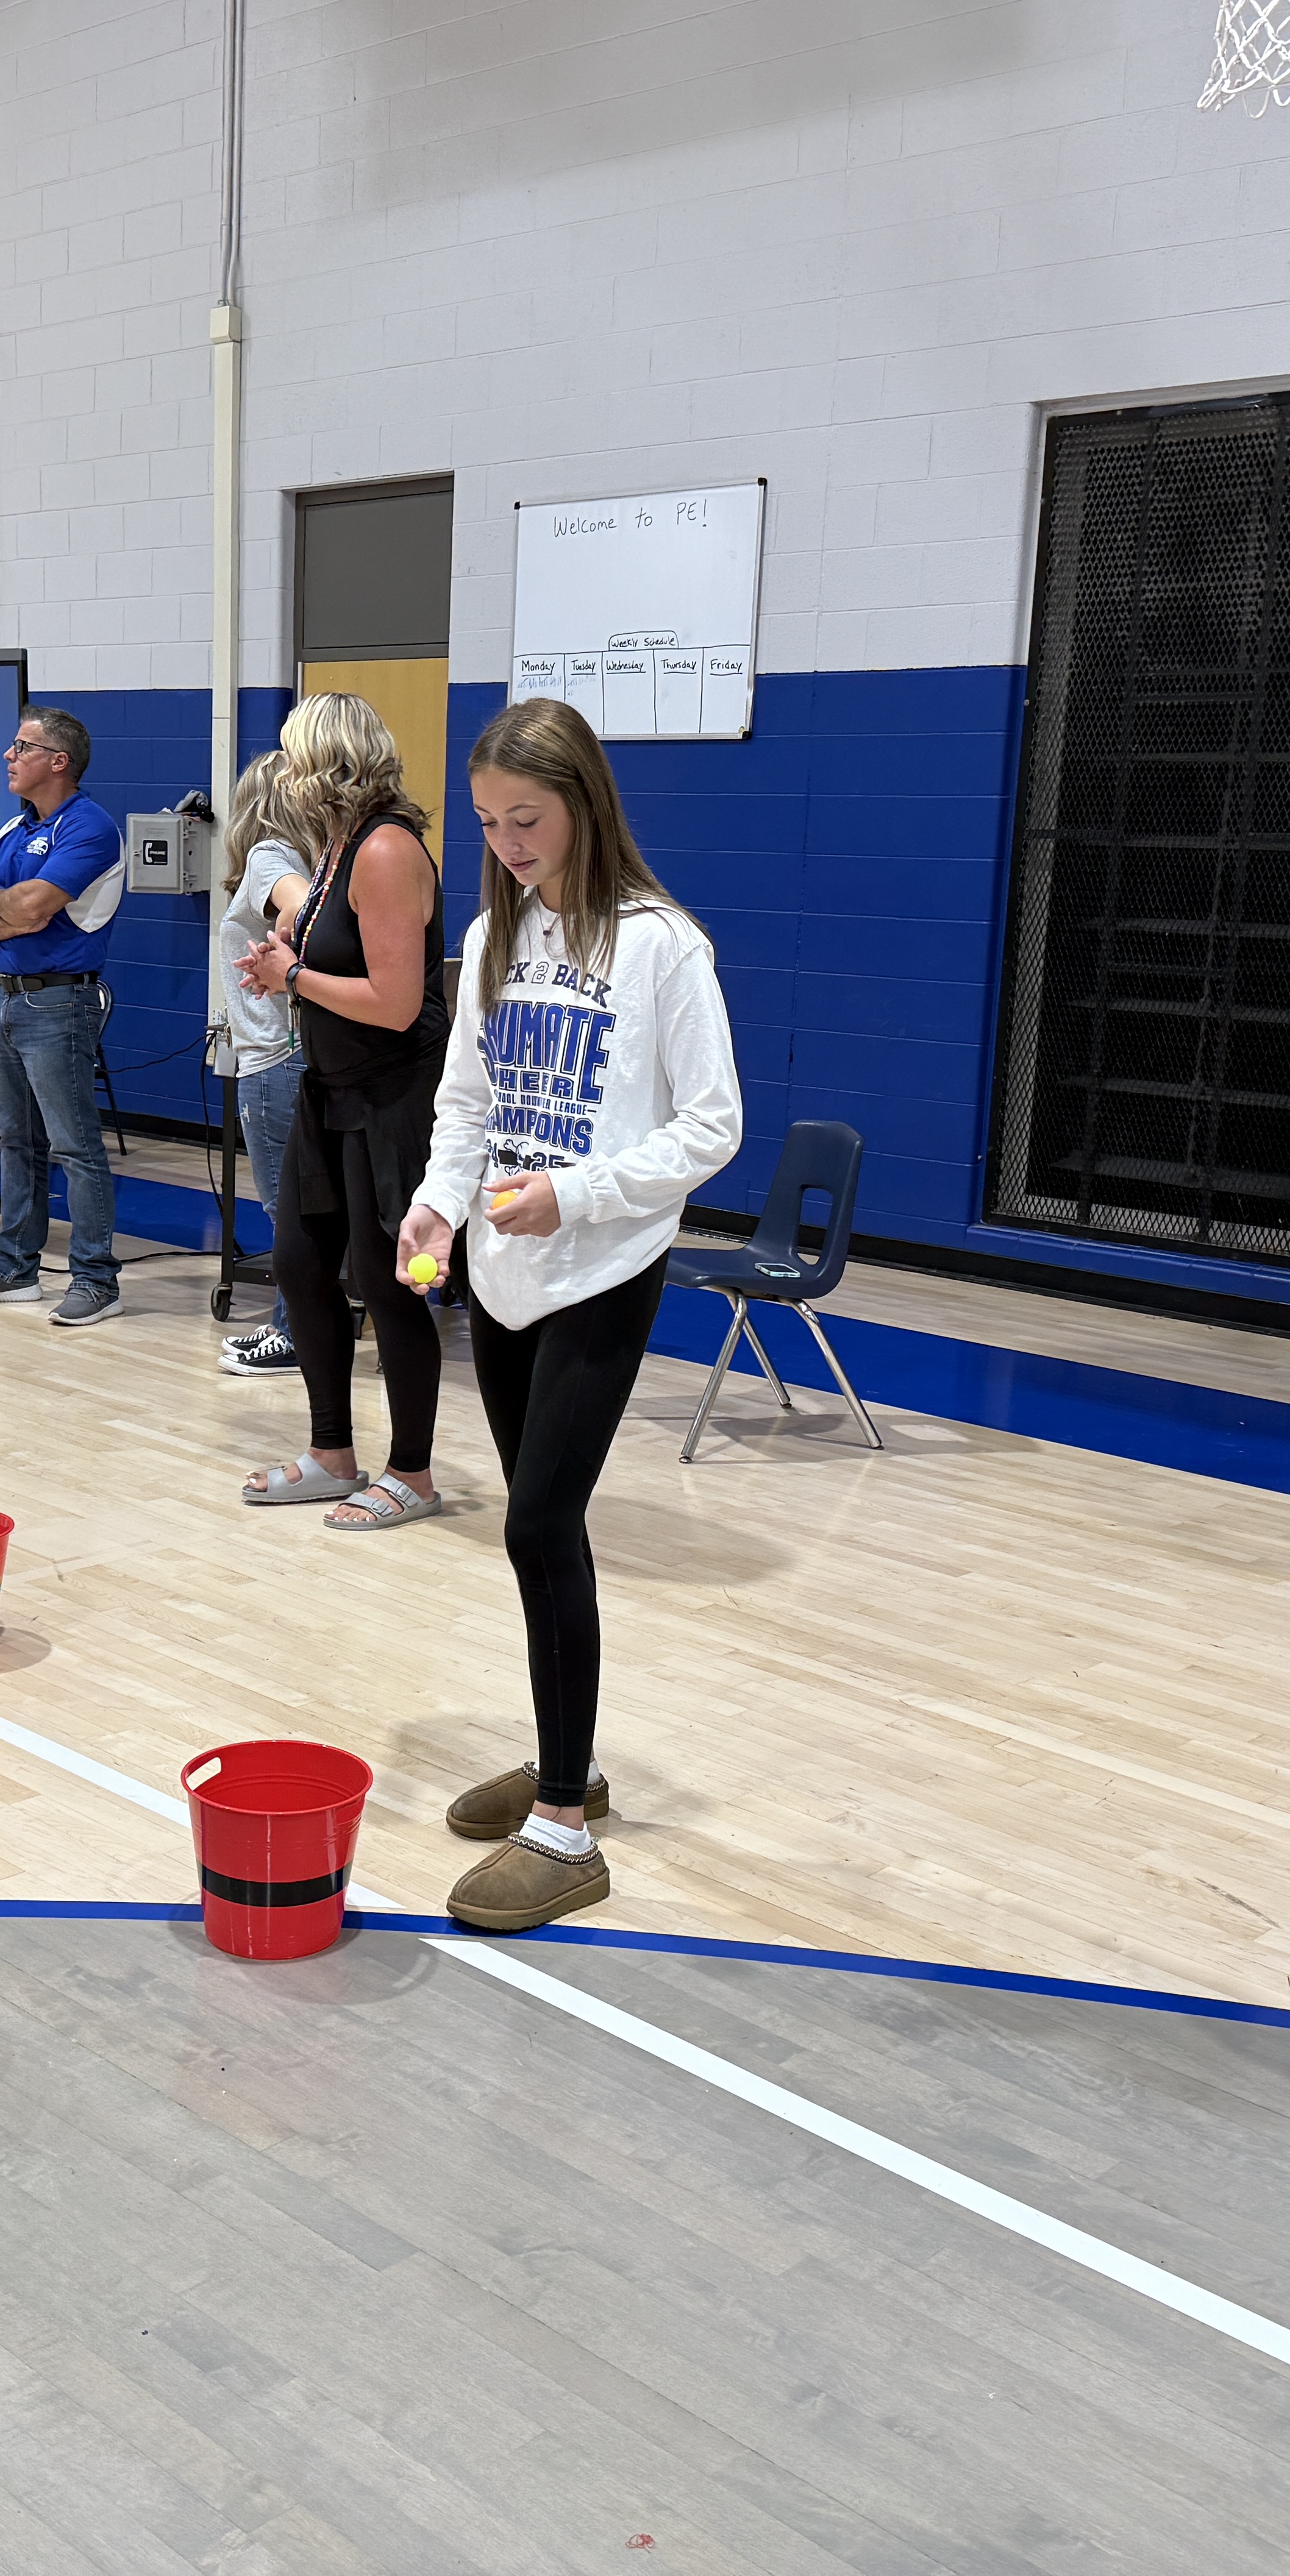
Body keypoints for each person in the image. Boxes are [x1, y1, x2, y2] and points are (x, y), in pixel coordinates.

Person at [398, 700, 739, 1931]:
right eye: (490, 824)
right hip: (499, 1275)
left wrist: (580, 1194)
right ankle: (571, 1761)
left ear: (582, 803)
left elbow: (713, 1126)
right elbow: (468, 1104)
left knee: (541, 1520)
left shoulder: (662, 948)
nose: (509, 842)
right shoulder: (496, 932)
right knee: (539, 1537)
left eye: (526, 819)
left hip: (600, 1269)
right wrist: (441, 1208)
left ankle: (561, 1828)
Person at [232, 692, 449, 1529]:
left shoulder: (387, 849)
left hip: (390, 1096)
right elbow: (330, 956)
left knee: (388, 1285)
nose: (283, 770)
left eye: (292, 753)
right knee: (297, 1261)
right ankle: (331, 1453)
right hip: (330, 1086)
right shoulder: (333, 849)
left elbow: (395, 1003)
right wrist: (285, 961)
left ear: (325, 761)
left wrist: (295, 979)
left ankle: (414, 1473)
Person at [0, 704, 126, 1327]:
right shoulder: (11, 831)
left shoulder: (91, 827)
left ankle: (97, 1279)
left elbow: (37, 907)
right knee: (15, 1138)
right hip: (6, 996)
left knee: (75, 1146)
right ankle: (14, 1267)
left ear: (59, 761)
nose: (8, 756)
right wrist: (8, 907)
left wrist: (7, 906)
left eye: (22, 747)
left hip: (60, 1001)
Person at [209, 751, 315, 1377]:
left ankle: (296, 1334)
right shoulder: (307, 859)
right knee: (300, 1211)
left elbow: (303, 910)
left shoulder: (269, 855)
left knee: (288, 1215)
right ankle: (288, 1324)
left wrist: (291, 970)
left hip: (274, 1061)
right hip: (288, 1058)